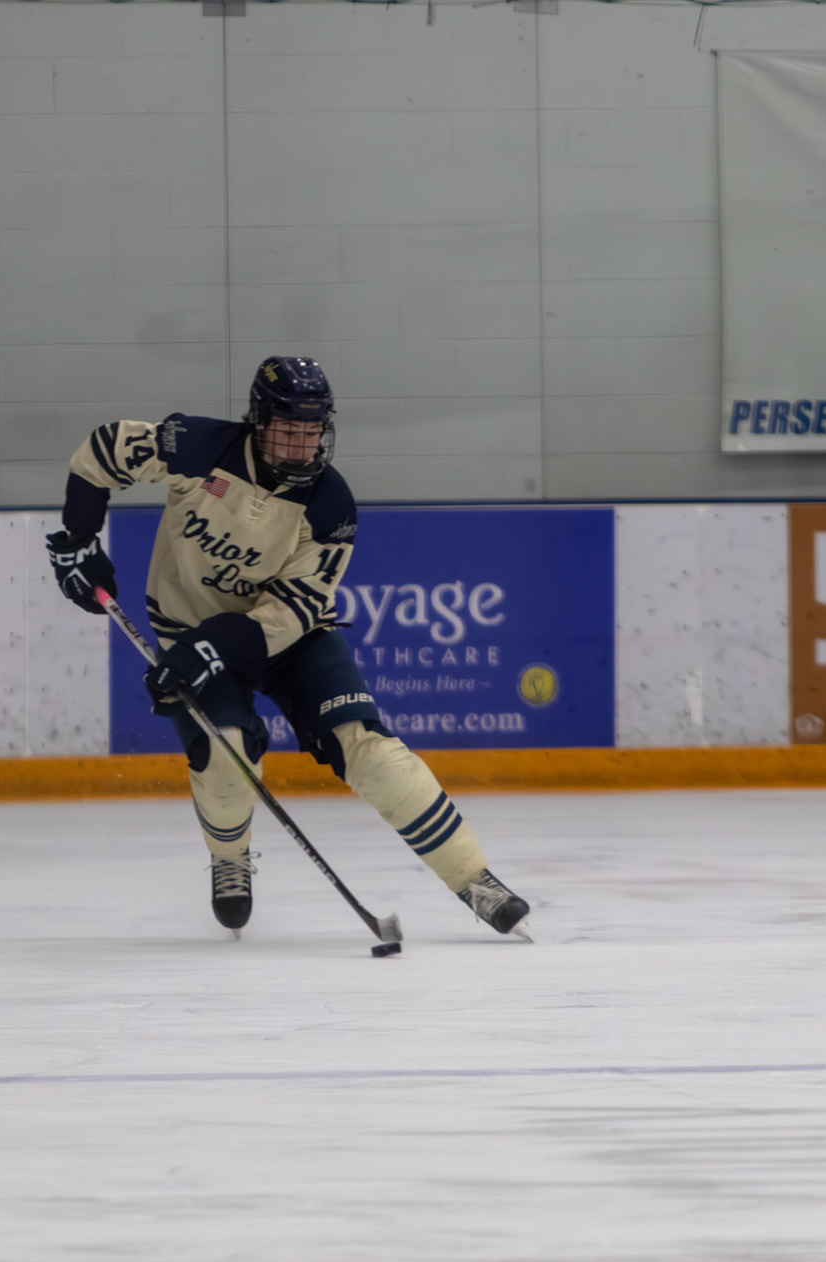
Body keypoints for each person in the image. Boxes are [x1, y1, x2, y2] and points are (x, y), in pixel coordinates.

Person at [43, 355, 531, 940]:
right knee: (225, 755)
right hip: (188, 629)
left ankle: (473, 877)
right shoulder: (194, 446)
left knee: (373, 754)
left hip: (293, 639)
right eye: (287, 430)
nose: (301, 446)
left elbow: (295, 609)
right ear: (257, 420)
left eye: (312, 431)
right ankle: (230, 857)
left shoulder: (331, 505)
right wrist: (78, 536)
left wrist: (217, 643)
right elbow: (103, 450)